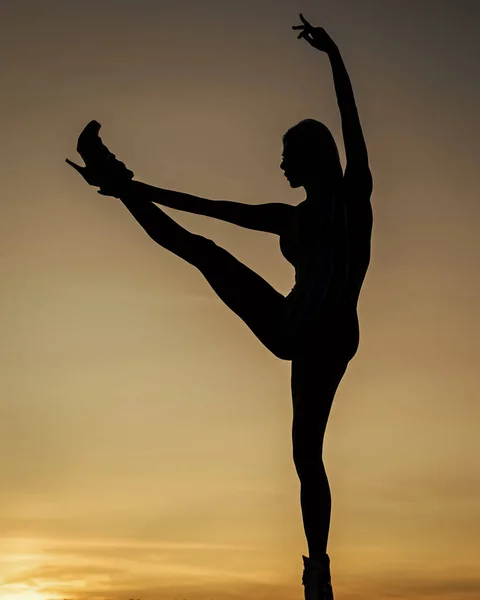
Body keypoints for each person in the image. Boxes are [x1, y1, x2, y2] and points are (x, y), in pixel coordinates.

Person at [66, 14, 373, 600]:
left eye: (288, 154)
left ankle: (318, 571)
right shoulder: (294, 217)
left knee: (307, 455)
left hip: (329, 335)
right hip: (291, 325)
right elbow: (212, 207)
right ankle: (113, 176)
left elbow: (351, 124)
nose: (280, 163)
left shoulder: (353, 200)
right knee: (202, 250)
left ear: (312, 156)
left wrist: (334, 56)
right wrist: (133, 188)